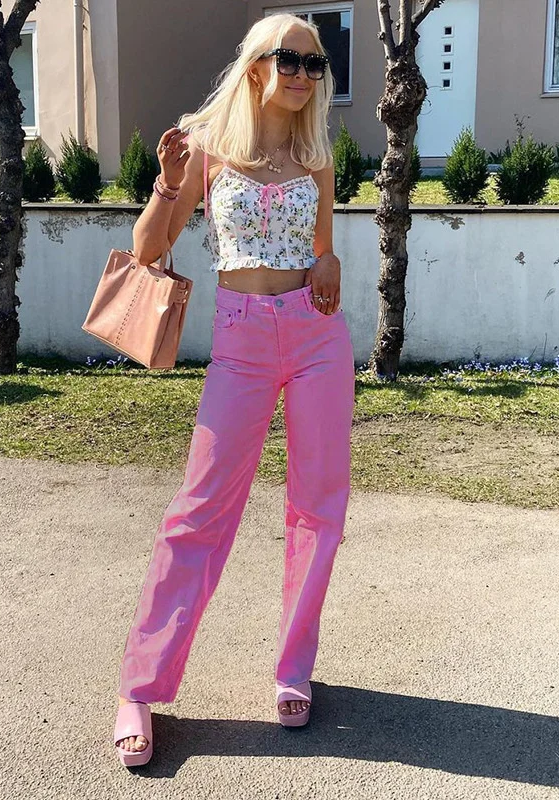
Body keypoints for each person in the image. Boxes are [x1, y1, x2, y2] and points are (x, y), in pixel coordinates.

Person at [113, 12, 355, 767]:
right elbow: (149, 250)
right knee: (198, 511)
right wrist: (167, 183)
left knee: (318, 508)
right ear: (257, 65)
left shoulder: (317, 153)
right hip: (242, 340)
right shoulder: (208, 146)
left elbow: (322, 249)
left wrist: (329, 262)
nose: (304, 74)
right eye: (290, 59)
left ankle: (293, 668)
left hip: (316, 338)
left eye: (316, 64)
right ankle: (139, 688)